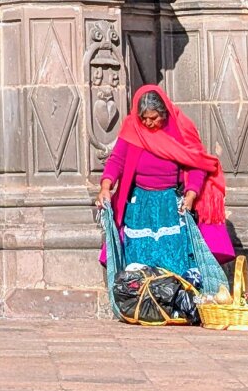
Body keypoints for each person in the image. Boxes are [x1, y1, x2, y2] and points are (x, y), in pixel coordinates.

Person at [96, 84, 234, 279]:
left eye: (153, 118)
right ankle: (142, 292)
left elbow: (196, 163)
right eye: (143, 118)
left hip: (170, 200)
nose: (148, 123)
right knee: (140, 254)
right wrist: (105, 186)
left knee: (172, 252)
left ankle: (174, 291)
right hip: (140, 201)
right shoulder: (132, 127)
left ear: (164, 112)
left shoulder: (181, 128)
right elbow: (117, 160)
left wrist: (191, 195)